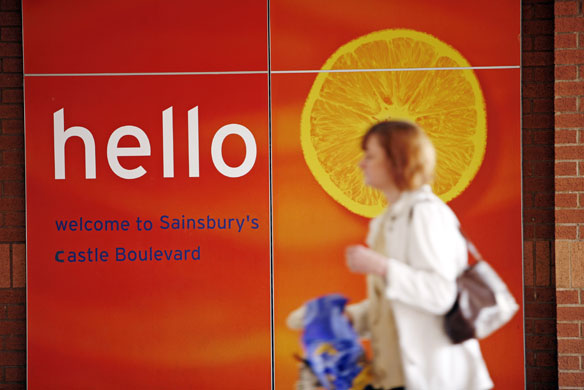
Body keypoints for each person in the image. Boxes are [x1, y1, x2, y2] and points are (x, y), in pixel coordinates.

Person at [343, 120, 493, 390]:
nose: (361, 164)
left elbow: (440, 294)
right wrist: (351, 319)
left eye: (371, 156)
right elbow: (394, 304)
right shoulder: (385, 221)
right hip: (394, 377)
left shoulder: (425, 213)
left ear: (397, 160)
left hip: (435, 378)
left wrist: (381, 266)